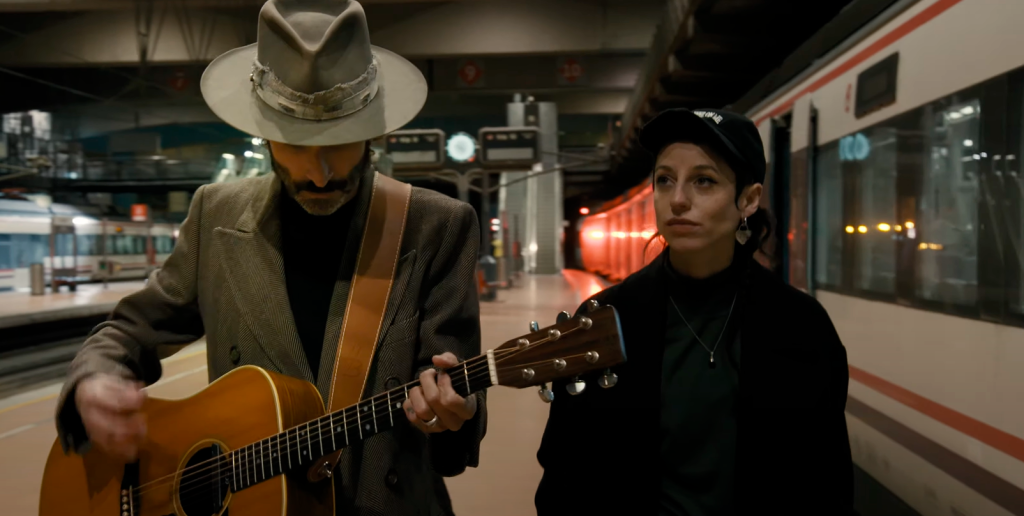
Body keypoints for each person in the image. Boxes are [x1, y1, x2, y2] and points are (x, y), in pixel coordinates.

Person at [54, 2, 486, 515]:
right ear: (262, 133)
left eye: (341, 143)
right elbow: (129, 331)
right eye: (297, 144)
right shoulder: (215, 215)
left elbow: (454, 393)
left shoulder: (437, 226)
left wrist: (452, 412)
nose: (321, 173)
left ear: (374, 131)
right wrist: (97, 377)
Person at [535, 108, 854, 515]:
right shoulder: (606, 317)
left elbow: (827, 481)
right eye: (665, 180)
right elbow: (565, 470)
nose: (679, 200)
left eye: (704, 181)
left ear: (749, 199)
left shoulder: (800, 325)